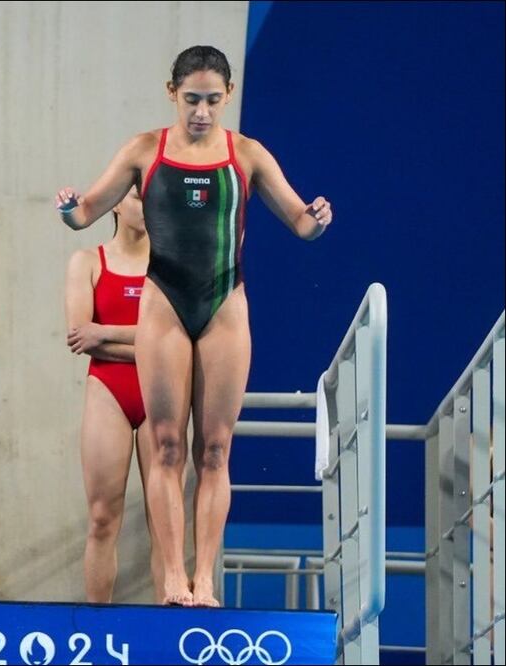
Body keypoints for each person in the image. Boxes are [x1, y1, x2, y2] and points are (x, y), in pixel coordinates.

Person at [55, 45, 332, 606]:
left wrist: (317, 221)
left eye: (211, 100)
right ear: (171, 94)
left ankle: (204, 578)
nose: (201, 112)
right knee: (165, 444)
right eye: (190, 100)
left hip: (225, 305)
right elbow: (86, 211)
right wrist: (68, 209)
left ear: (227, 96)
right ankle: (172, 581)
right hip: (163, 305)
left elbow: (300, 223)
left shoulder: (247, 154)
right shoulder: (143, 150)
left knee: (215, 450)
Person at [65, 188, 166, 603]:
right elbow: (78, 336)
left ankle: (171, 627)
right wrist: (151, 342)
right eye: (138, 197)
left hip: (160, 391)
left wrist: (106, 331)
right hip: (109, 389)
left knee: (165, 528)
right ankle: (96, 629)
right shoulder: (87, 262)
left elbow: (177, 338)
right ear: (117, 205)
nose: (146, 206)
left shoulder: (170, 267)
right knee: (103, 518)